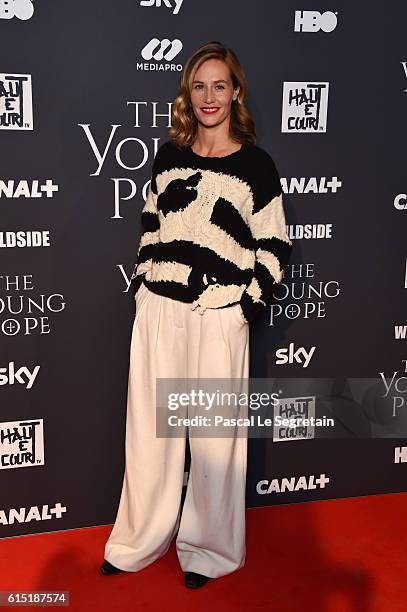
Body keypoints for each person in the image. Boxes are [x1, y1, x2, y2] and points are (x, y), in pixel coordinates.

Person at [100, 40, 293, 589]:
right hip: (160, 311)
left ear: (236, 93)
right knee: (149, 436)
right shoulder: (169, 157)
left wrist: (244, 308)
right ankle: (138, 540)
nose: (209, 96)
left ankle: (208, 550)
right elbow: (151, 228)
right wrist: (144, 287)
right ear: (189, 93)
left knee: (212, 443)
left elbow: (274, 246)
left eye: (220, 85)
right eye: (200, 85)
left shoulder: (257, 166)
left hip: (218, 315)